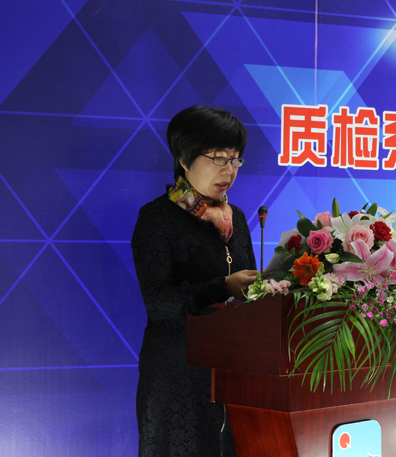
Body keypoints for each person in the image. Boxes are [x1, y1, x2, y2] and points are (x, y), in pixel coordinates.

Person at [131, 105, 258, 456]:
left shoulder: (237, 219)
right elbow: (158, 303)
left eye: (235, 159)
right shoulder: (157, 217)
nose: (229, 170)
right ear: (184, 160)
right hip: (178, 374)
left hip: (233, 372)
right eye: (218, 158)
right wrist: (222, 287)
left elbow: (248, 294)